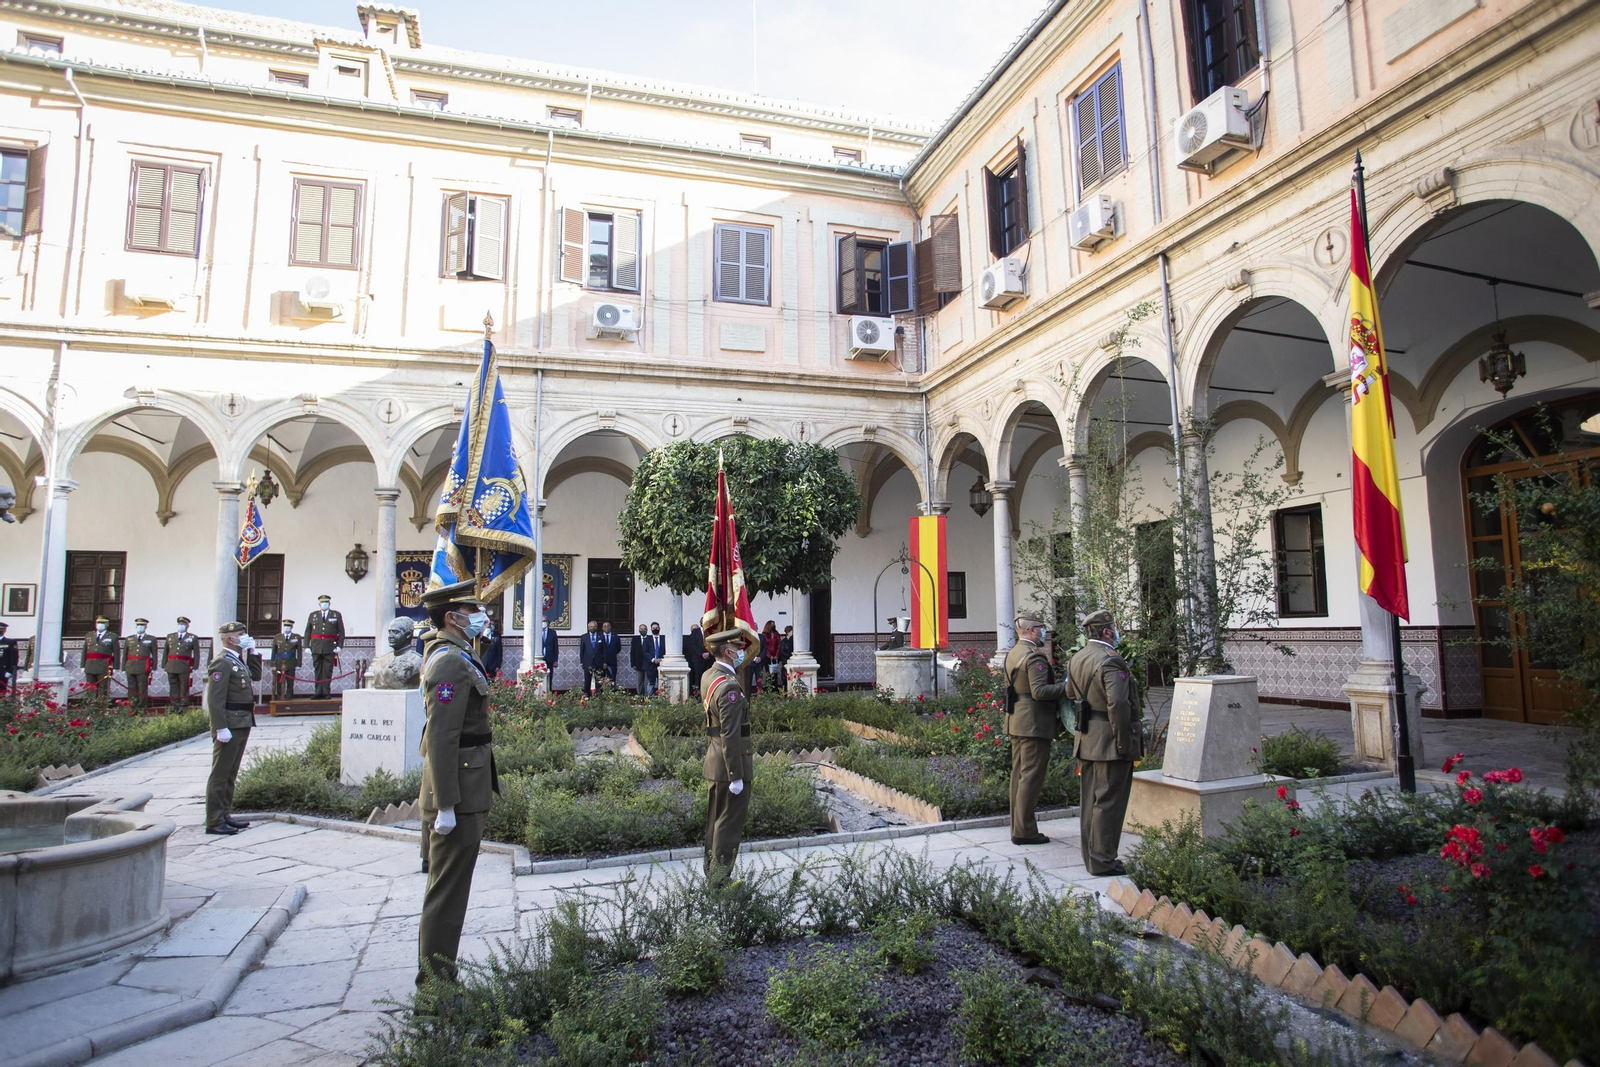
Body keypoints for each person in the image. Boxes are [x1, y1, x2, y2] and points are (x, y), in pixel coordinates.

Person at [416, 579, 499, 987]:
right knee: (447, 893)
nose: (480, 616)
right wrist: (445, 803)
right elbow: (442, 737)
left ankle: (439, 977)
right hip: (458, 791)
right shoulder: (449, 661)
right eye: (472, 610)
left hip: (465, 785)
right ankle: (434, 987)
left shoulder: (457, 654)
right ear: (453, 617)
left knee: (449, 889)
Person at [1067, 610, 1143, 876]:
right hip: (1109, 740)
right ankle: (1103, 859)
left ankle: (1092, 856)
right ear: (1107, 632)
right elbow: (1118, 704)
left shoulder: (1077, 657)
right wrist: (1125, 743)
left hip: (1086, 738)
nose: (1116, 633)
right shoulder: (1111, 660)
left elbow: (1069, 692)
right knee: (1109, 802)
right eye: (1114, 629)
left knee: (1091, 801)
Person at [1003, 613, 1067, 846]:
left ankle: (1019, 827)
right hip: (1033, 722)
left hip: (1017, 720)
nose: (1043, 632)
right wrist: (1067, 688)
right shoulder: (1033, 657)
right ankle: (1025, 831)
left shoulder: (1013, 653)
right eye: (1040, 628)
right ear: (1031, 630)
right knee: (1030, 777)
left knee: (1019, 776)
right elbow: (1040, 691)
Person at [700, 628, 753, 882]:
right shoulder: (729, 686)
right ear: (729, 651)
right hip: (729, 762)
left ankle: (712, 873)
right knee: (728, 824)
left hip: (715, 758)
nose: (742, 651)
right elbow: (730, 733)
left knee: (715, 821)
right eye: (738, 648)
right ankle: (721, 880)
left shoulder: (710, 675)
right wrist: (736, 776)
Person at [203, 621, 261, 836]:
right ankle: (214, 820)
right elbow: (215, 700)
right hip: (229, 724)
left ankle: (225, 814)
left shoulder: (236, 660)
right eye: (241, 634)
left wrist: (254, 653)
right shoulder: (222, 663)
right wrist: (220, 727)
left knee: (231, 773)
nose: (245, 636)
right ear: (230, 638)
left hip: (242, 721)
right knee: (220, 774)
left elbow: (256, 676)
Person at [306, 594, 344, 698]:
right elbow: (308, 631)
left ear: (329, 603)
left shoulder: (336, 615)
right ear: (319, 604)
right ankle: (318, 692)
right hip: (316, 647)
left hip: (330, 647)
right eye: (322, 602)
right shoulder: (313, 615)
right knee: (317, 669)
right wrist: (306, 646)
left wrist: (340, 646)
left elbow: (341, 631)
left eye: (326, 602)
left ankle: (326, 692)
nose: (324, 604)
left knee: (327, 670)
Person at [164, 617, 200, 709]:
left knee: (184, 686)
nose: (181, 626)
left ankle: (183, 705)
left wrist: (195, 666)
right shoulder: (170, 636)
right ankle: (174, 705)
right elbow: (166, 652)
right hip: (171, 665)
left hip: (184, 666)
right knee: (173, 686)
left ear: (187, 626)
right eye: (179, 624)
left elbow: (196, 653)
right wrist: (164, 664)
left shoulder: (192, 638)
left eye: (183, 624)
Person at [123, 618, 158, 708]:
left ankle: (142, 707)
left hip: (143, 667)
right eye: (138, 625)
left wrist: (153, 668)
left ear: (146, 627)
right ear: (135, 626)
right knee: (131, 688)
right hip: (130, 666)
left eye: (142, 625)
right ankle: (132, 706)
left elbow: (154, 654)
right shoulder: (129, 639)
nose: (140, 627)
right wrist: (124, 667)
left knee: (142, 688)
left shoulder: (151, 639)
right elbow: (125, 654)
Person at [83, 616, 118, 696]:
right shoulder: (89, 635)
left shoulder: (112, 636)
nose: (100, 624)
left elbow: (116, 652)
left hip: (104, 666)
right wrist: (82, 665)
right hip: (90, 665)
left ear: (107, 624)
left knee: (103, 688)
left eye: (102, 623)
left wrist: (116, 666)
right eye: (98, 622)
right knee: (90, 688)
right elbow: (84, 651)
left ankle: (102, 706)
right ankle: (91, 705)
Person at [272, 618, 303, 699]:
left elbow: (299, 652)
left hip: (291, 662)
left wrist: (299, 664)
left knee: (290, 682)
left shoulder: (296, 637)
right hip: (279, 662)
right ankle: (279, 697)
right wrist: (273, 663)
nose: (286, 628)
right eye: (285, 626)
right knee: (279, 681)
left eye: (288, 626)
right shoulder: (277, 637)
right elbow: (274, 651)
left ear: (292, 627)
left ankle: (289, 697)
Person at [684, 623, 708, 695]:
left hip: (709, 659)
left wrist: (709, 653)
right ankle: (697, 696)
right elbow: (693, 645)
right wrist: (701, 654)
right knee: (698, 678)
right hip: (698, 660)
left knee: (707, 678)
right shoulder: (695, 632)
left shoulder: (711, 631)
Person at [579, 620, 601, 694]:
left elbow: (603, 650)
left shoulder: (601, 636)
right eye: (591, 626)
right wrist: (581, 662)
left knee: (599, 680)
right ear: (588, 628)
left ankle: (598, 696)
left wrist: (604, 662)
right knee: (587, 680)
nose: (593, 628)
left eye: (594, 626)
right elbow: (582, 650)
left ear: (597, 627)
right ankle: (587, 695)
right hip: (587, 662)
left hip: (598, 662)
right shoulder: (584, 637)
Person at [630, 622, 650, 695]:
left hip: (648, 663)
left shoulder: (650, 639)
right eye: (641, 629)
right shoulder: (635, 639)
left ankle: (648, 696)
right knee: (639, 681)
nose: (643, 630)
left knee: (648, 681)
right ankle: (640, 696)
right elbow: (632, 652)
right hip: (638, 663)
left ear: (647, 630)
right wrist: (633, 663)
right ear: (639, 630)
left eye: (644, 629)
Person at [540, 619, 560, 686]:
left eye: (544, 621)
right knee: (539, 676)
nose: (543, 623)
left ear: (548, 623)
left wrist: (556, 660)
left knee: (549, 677)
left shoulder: (552, 632)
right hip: (539, 658)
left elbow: (556, 647)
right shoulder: (537, 632)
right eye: (542, 621)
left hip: (550, 659)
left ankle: (549, 691)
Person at [0, 621, 18, 694]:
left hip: (3, 671)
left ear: (4, 631)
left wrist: (10, 671)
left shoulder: (10, 642)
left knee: (1, 691)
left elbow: (14, 657)